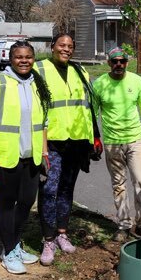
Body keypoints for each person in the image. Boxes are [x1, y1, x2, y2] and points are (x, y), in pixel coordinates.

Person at [0, 41, 52, 275]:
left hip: (32, 157)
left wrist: (45, 152)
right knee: (7, 204)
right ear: (10, 58)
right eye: (19, 57)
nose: (24, 60)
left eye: (28, 56)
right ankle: (9, 251)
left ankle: (14, 243)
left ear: (33, 58)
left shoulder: (38, 83)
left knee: (27, 202)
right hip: (6, 156)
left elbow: (44, 122)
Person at [33, 33, 102, 266]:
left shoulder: (81, 72)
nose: (66, 49)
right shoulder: (38, 69)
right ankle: (48, 239)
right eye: (62, 45)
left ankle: (62, 233)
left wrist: (95, 136)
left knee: (66, 188)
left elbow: (88, 107)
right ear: (52, 46)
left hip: (77, 141)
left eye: (70, 46)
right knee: (49, 189)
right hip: (51, 141)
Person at [91, 47, 141, 242]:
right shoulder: (100, 84)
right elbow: (93, 114)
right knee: (118, 184)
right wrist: (93, 139)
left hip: (134, 139)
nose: (119, 64)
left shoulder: (136, 81)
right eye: (115, 61)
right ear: (109, 63)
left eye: (122, 61)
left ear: (127, 63)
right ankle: (123, 224)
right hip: (112, 142)